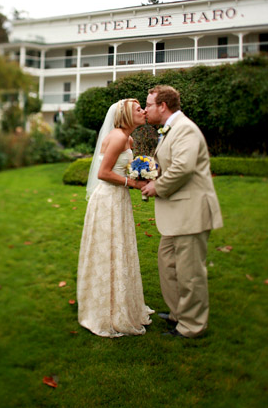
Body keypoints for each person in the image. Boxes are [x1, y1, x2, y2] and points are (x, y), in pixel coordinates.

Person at [142, 85, 223, 338]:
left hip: (191, 212)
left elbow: (183, 168)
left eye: (149, 105)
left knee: (190, 273)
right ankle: (179, 313)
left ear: (162, 106)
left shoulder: (185, 128)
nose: (145, 110)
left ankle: (192, 326)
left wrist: (158, 186)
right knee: (169, 264)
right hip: (177, 214)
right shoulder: (170, 129)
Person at [77, 98, 154, 337]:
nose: (143, 111)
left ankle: (120, 303)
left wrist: (143, 171)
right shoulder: (119, 137)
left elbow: (122, 167)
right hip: (108, 199)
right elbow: (103, 173)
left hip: (119, 198)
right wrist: (132, 182)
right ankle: (103, 309)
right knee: (108, 249)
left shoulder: (128, 138)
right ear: (126, 116)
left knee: (119, 248)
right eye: (138, 109)